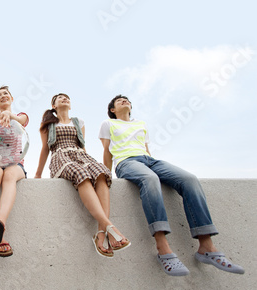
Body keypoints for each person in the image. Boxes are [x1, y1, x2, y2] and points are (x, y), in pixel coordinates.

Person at [99, 94, 244, 276]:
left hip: (149, 160)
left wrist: (152, 162)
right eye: (119, 101)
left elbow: (146, 149)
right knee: (150, 179)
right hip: (126, 162)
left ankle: (206, 247)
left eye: (127, 100)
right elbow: (107, 151)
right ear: (112, 110)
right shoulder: (108, 124)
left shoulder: (141, 124)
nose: (124, 101)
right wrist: (107, 175)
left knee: (189, 179)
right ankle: (163, 248)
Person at [35, 93, 130, 258]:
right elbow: (45, 149)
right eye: (60, 98)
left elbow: (82, 145)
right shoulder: (48, 125)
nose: (64, 99)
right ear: (54, 106)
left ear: (70, 106)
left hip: (80, 154)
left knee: (100, 171)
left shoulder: (79, 122)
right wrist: (38, 174)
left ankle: (101, 233)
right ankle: (110, 227)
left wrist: (90, 163)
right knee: (80, 173)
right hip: (60, 156)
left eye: (67, 98)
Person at [0, 86, 29, 257]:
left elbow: (21, 121)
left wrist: (10, 115)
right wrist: (0, 116)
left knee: (9, 174)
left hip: (15, 164)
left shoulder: (21, 116)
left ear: (12, 98)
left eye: (5, 94)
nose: (3, 96)